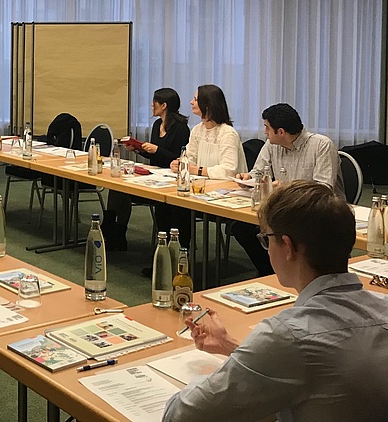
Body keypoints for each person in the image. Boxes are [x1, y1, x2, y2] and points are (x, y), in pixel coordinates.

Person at [163, 181, 388, 421]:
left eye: (267, 239)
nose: (268, 250)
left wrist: (215, 376)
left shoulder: (286, 334)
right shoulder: (382, 307)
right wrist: (232, 347)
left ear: (288, 247)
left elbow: (182, 414)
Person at [231, 103, 345, 276]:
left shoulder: (322, 145)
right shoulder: (271, 145)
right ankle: (270, 272)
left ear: (281, 132)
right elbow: (258, 172)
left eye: (267, 127)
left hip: (316, 213)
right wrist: (248, 178)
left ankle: (286, 273)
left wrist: (285, 188)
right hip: (285, 209)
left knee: (285, 233)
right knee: (242, 228)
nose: (265, 132)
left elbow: (323, 189)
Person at [103, 88, 189, 250]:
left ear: (163, 105)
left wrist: (157, 150)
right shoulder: (157, 125)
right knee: (119, 185)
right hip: (155, 173)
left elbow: (179, 159)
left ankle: (111, 230)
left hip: (171, 178)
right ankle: (114, 231)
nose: (151, 105)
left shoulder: (181, 128)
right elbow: (155, 156)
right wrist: (138, 149)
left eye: (154, 102)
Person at [163, 84, 247, 249]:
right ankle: (170, 248)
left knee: (181, 207)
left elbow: (228, 171)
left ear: (207, 106)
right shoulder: (197, 130)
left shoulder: (227, 133)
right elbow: (189, 157)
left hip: (227, 193)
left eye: (195, 99)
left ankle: (183, 250)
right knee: (168, 203)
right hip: (202, 189)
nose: (191, 102)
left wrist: (196, 170)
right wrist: (180, 163)